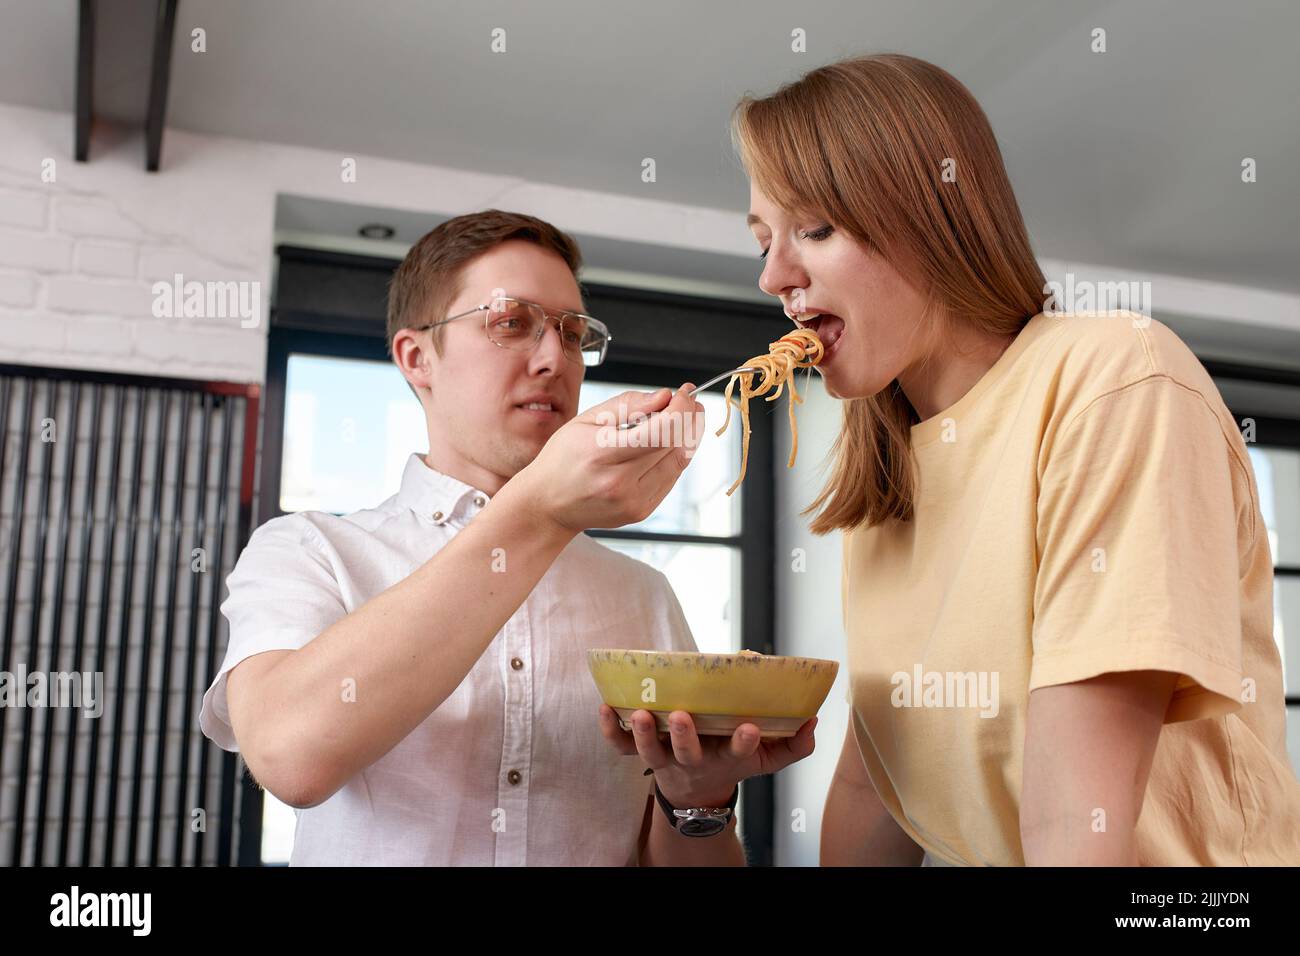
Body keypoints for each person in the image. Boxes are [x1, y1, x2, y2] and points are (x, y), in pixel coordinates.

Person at [713, 52, 1297, 866]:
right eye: (763, 239)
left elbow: (1074, 826)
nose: (774, 275)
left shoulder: (1116, 378)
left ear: (925, 216)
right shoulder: (888, 465)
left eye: (815, 229)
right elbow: (874, 781)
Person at [199, 210, 816, 865]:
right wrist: (540, 511)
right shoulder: (307, 552)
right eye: (511, 322)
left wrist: (698, 798)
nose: (554, 359)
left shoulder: (643, 596)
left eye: (573, 333)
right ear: (417, 358)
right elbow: (292, 758)